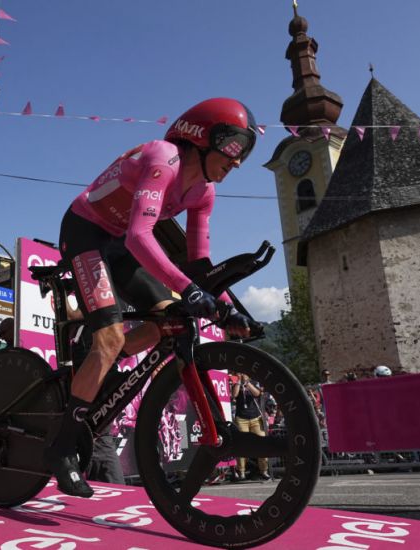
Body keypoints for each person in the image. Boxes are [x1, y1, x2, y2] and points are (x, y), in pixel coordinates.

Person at [45, 98, 259, 497]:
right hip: (87, 231)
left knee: (170, 321)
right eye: (232, 146)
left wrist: (230, 308)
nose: (238, 161)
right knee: (108, 338)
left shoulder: (204, 194)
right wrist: (194, 290)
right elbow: (140, 236)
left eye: (245, 151)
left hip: (120, 244)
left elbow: (200, 265)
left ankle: (101, 370)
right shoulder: (165, 158)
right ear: (200, 136)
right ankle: (61, 448)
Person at [231, 373, 270, 481]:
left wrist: (247, 383)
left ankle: (264, 471)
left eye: (244, 373)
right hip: (241, 419)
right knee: (242, 445)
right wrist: (239, 381)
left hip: (255, 418)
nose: (242, 375)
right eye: (240, 373)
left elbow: (257, 393)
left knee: (261, 443)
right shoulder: (236, 384)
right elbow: (234, 395)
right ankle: (241, 471)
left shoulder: (254, 383)